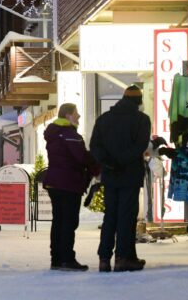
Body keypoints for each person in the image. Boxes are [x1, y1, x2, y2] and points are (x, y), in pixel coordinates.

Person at [89, 85, 151, 272]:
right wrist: (122, 161)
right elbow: (140, 145)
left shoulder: (103, 120)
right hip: (130, 175)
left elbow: (94, 146)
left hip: (110, 176)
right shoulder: (142, 120)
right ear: (138, 102)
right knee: (126, 217)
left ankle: (104, 258)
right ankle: (123, 258)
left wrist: (109, 163)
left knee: (111, 216)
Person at [43, 103, 99, 271]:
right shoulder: (69, 134)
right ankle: (67, 259)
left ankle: (57, 259)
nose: (79, 116)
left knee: (58, 221)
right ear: (68, 115)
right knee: (68, 221)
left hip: (55, 182)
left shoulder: (54, 134)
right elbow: (82, 157)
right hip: (68, 182)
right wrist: (97, 169)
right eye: (76, 113)